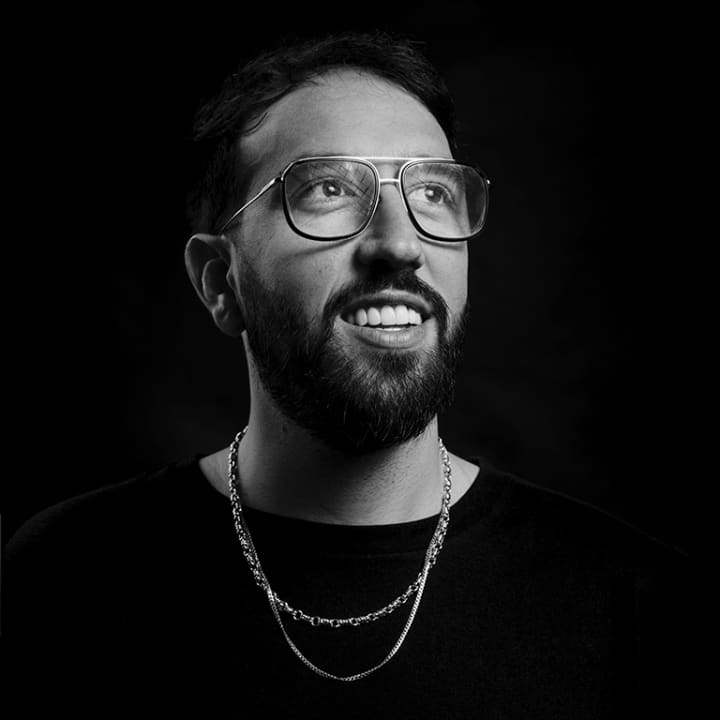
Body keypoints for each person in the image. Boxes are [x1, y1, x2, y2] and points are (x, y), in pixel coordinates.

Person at [3, 31, 702, 719]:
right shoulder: (61, 577)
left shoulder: (644, 606)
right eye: (328, 189)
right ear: (220, 281)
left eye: (432, 192)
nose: (399, 243)